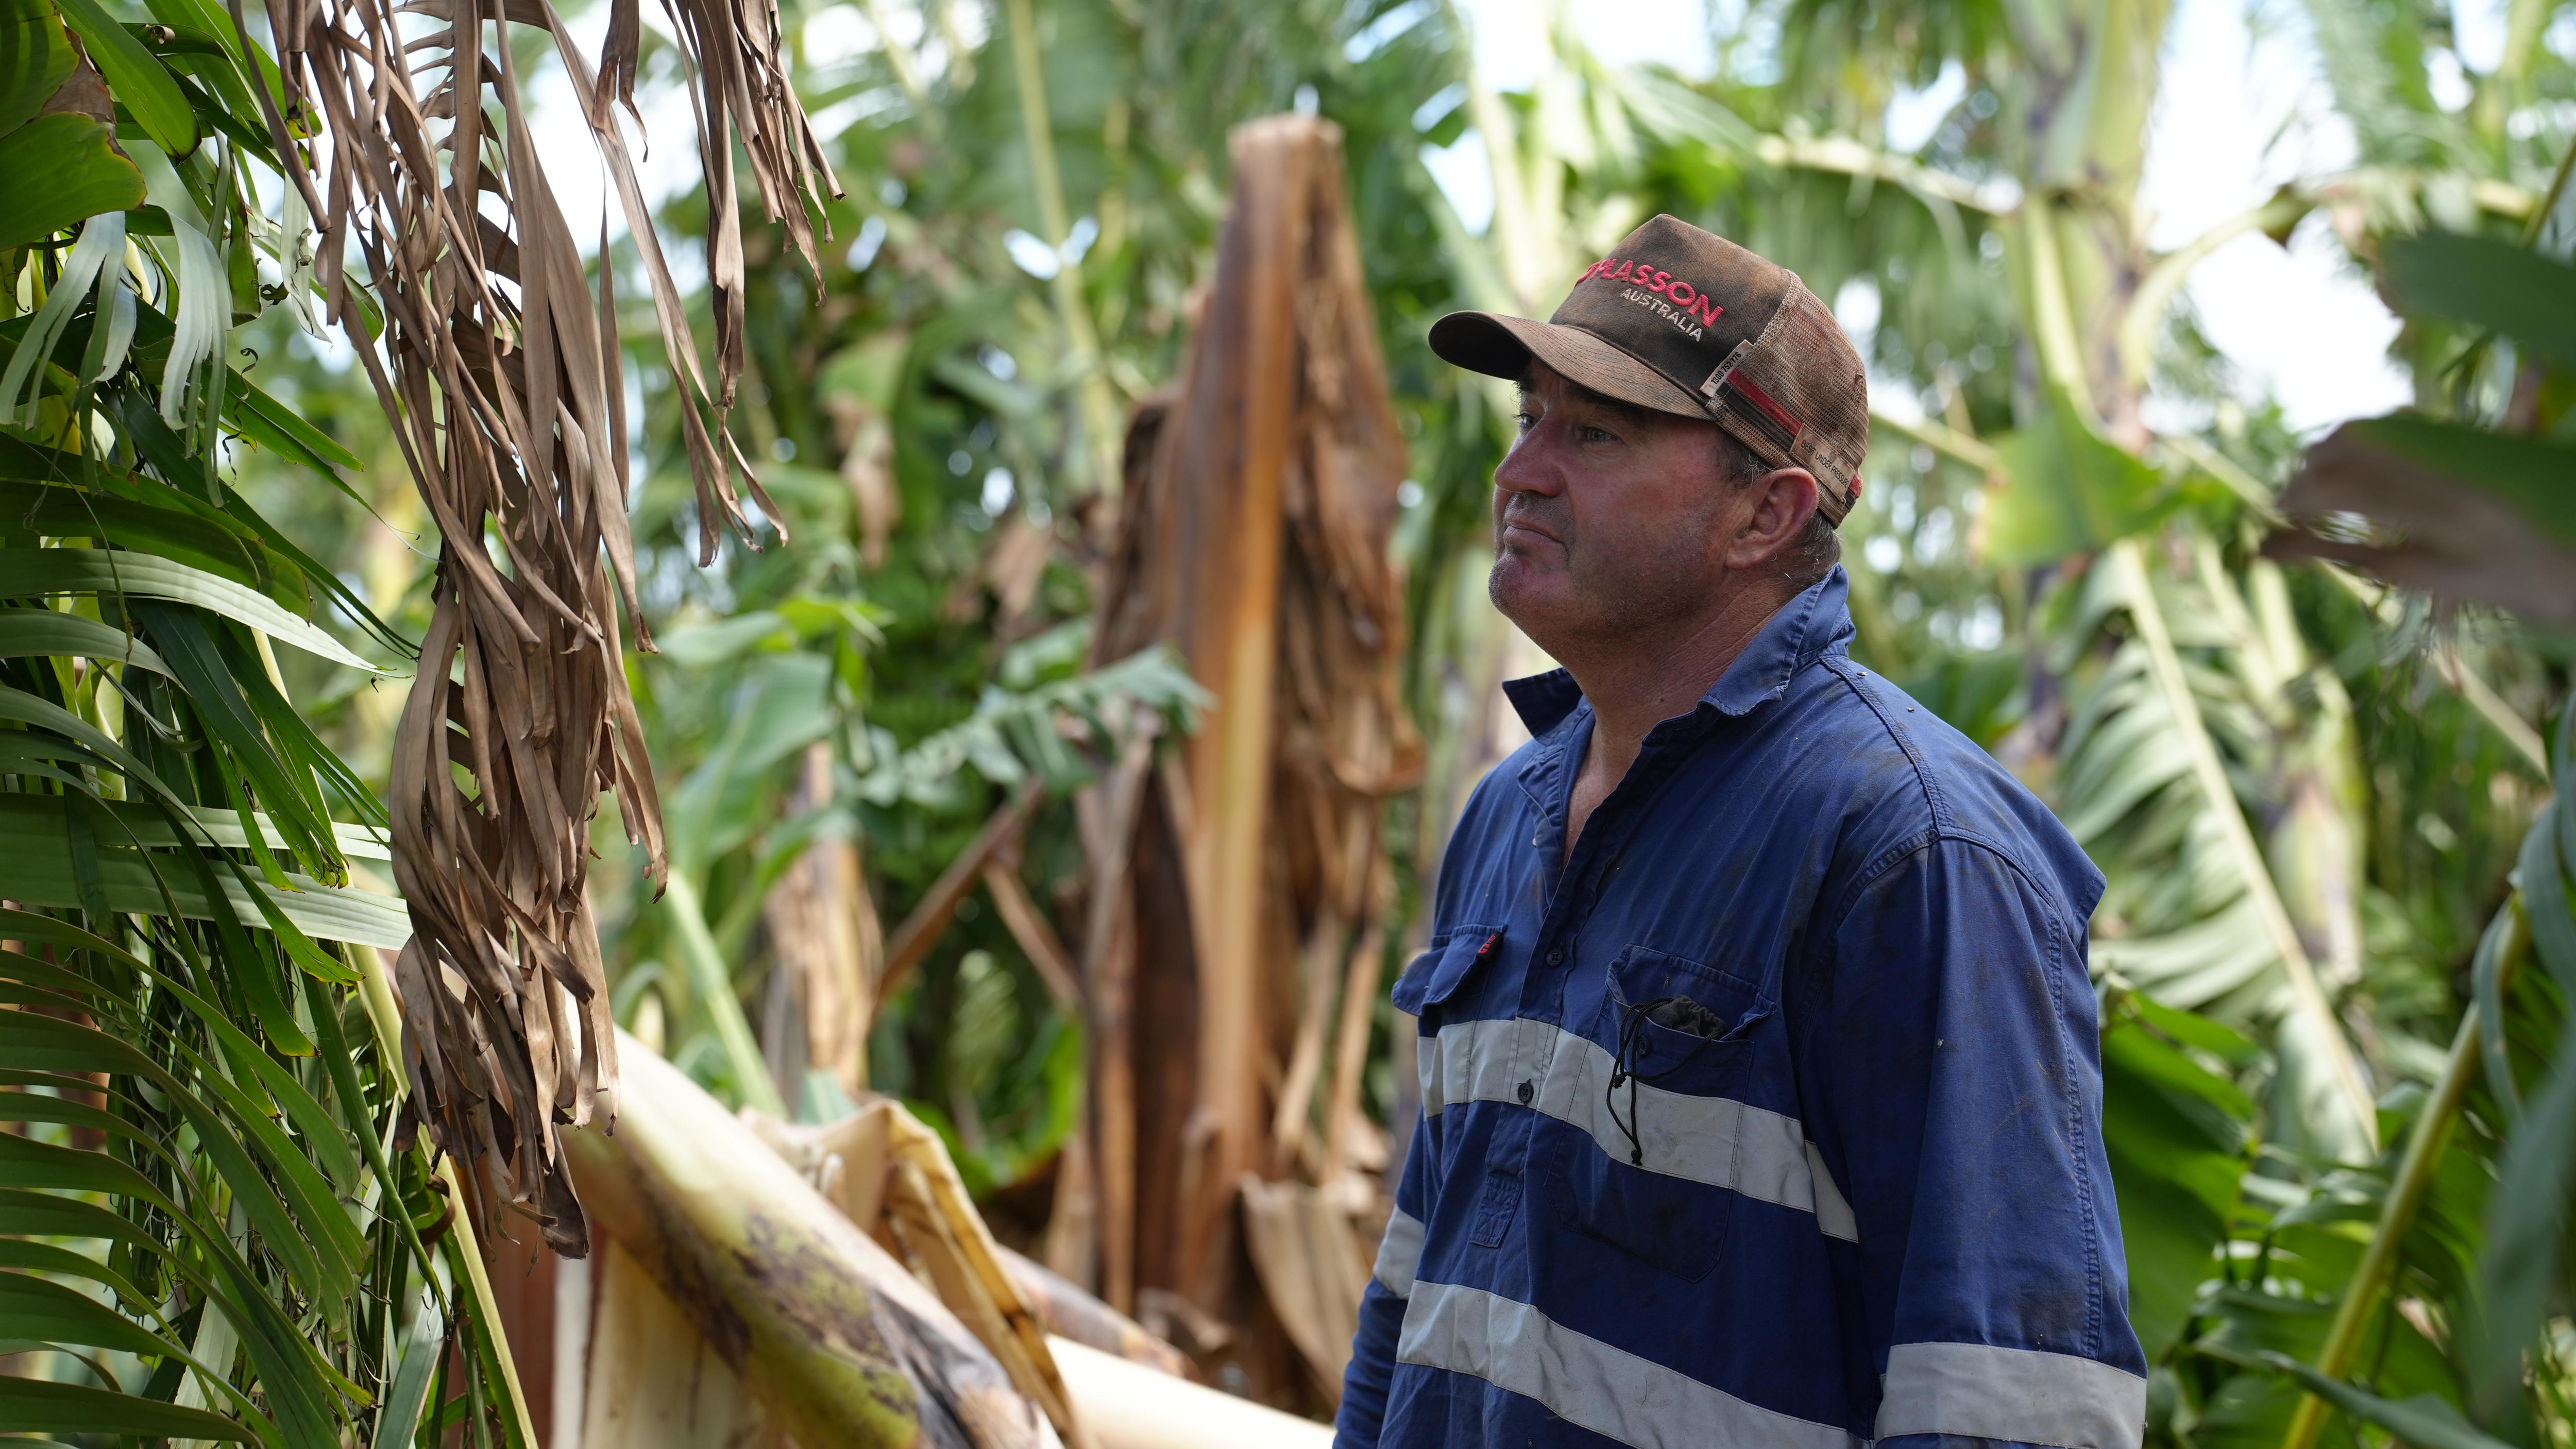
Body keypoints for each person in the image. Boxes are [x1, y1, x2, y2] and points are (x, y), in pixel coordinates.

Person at [1335, 215, 2144, 1449]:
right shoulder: (1507, 816)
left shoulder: (1913, 851)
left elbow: (2004, 1407)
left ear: (1765, 517)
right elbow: (1416, 1292)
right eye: (1527, 421)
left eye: (1593, 433)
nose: (1521, 474)